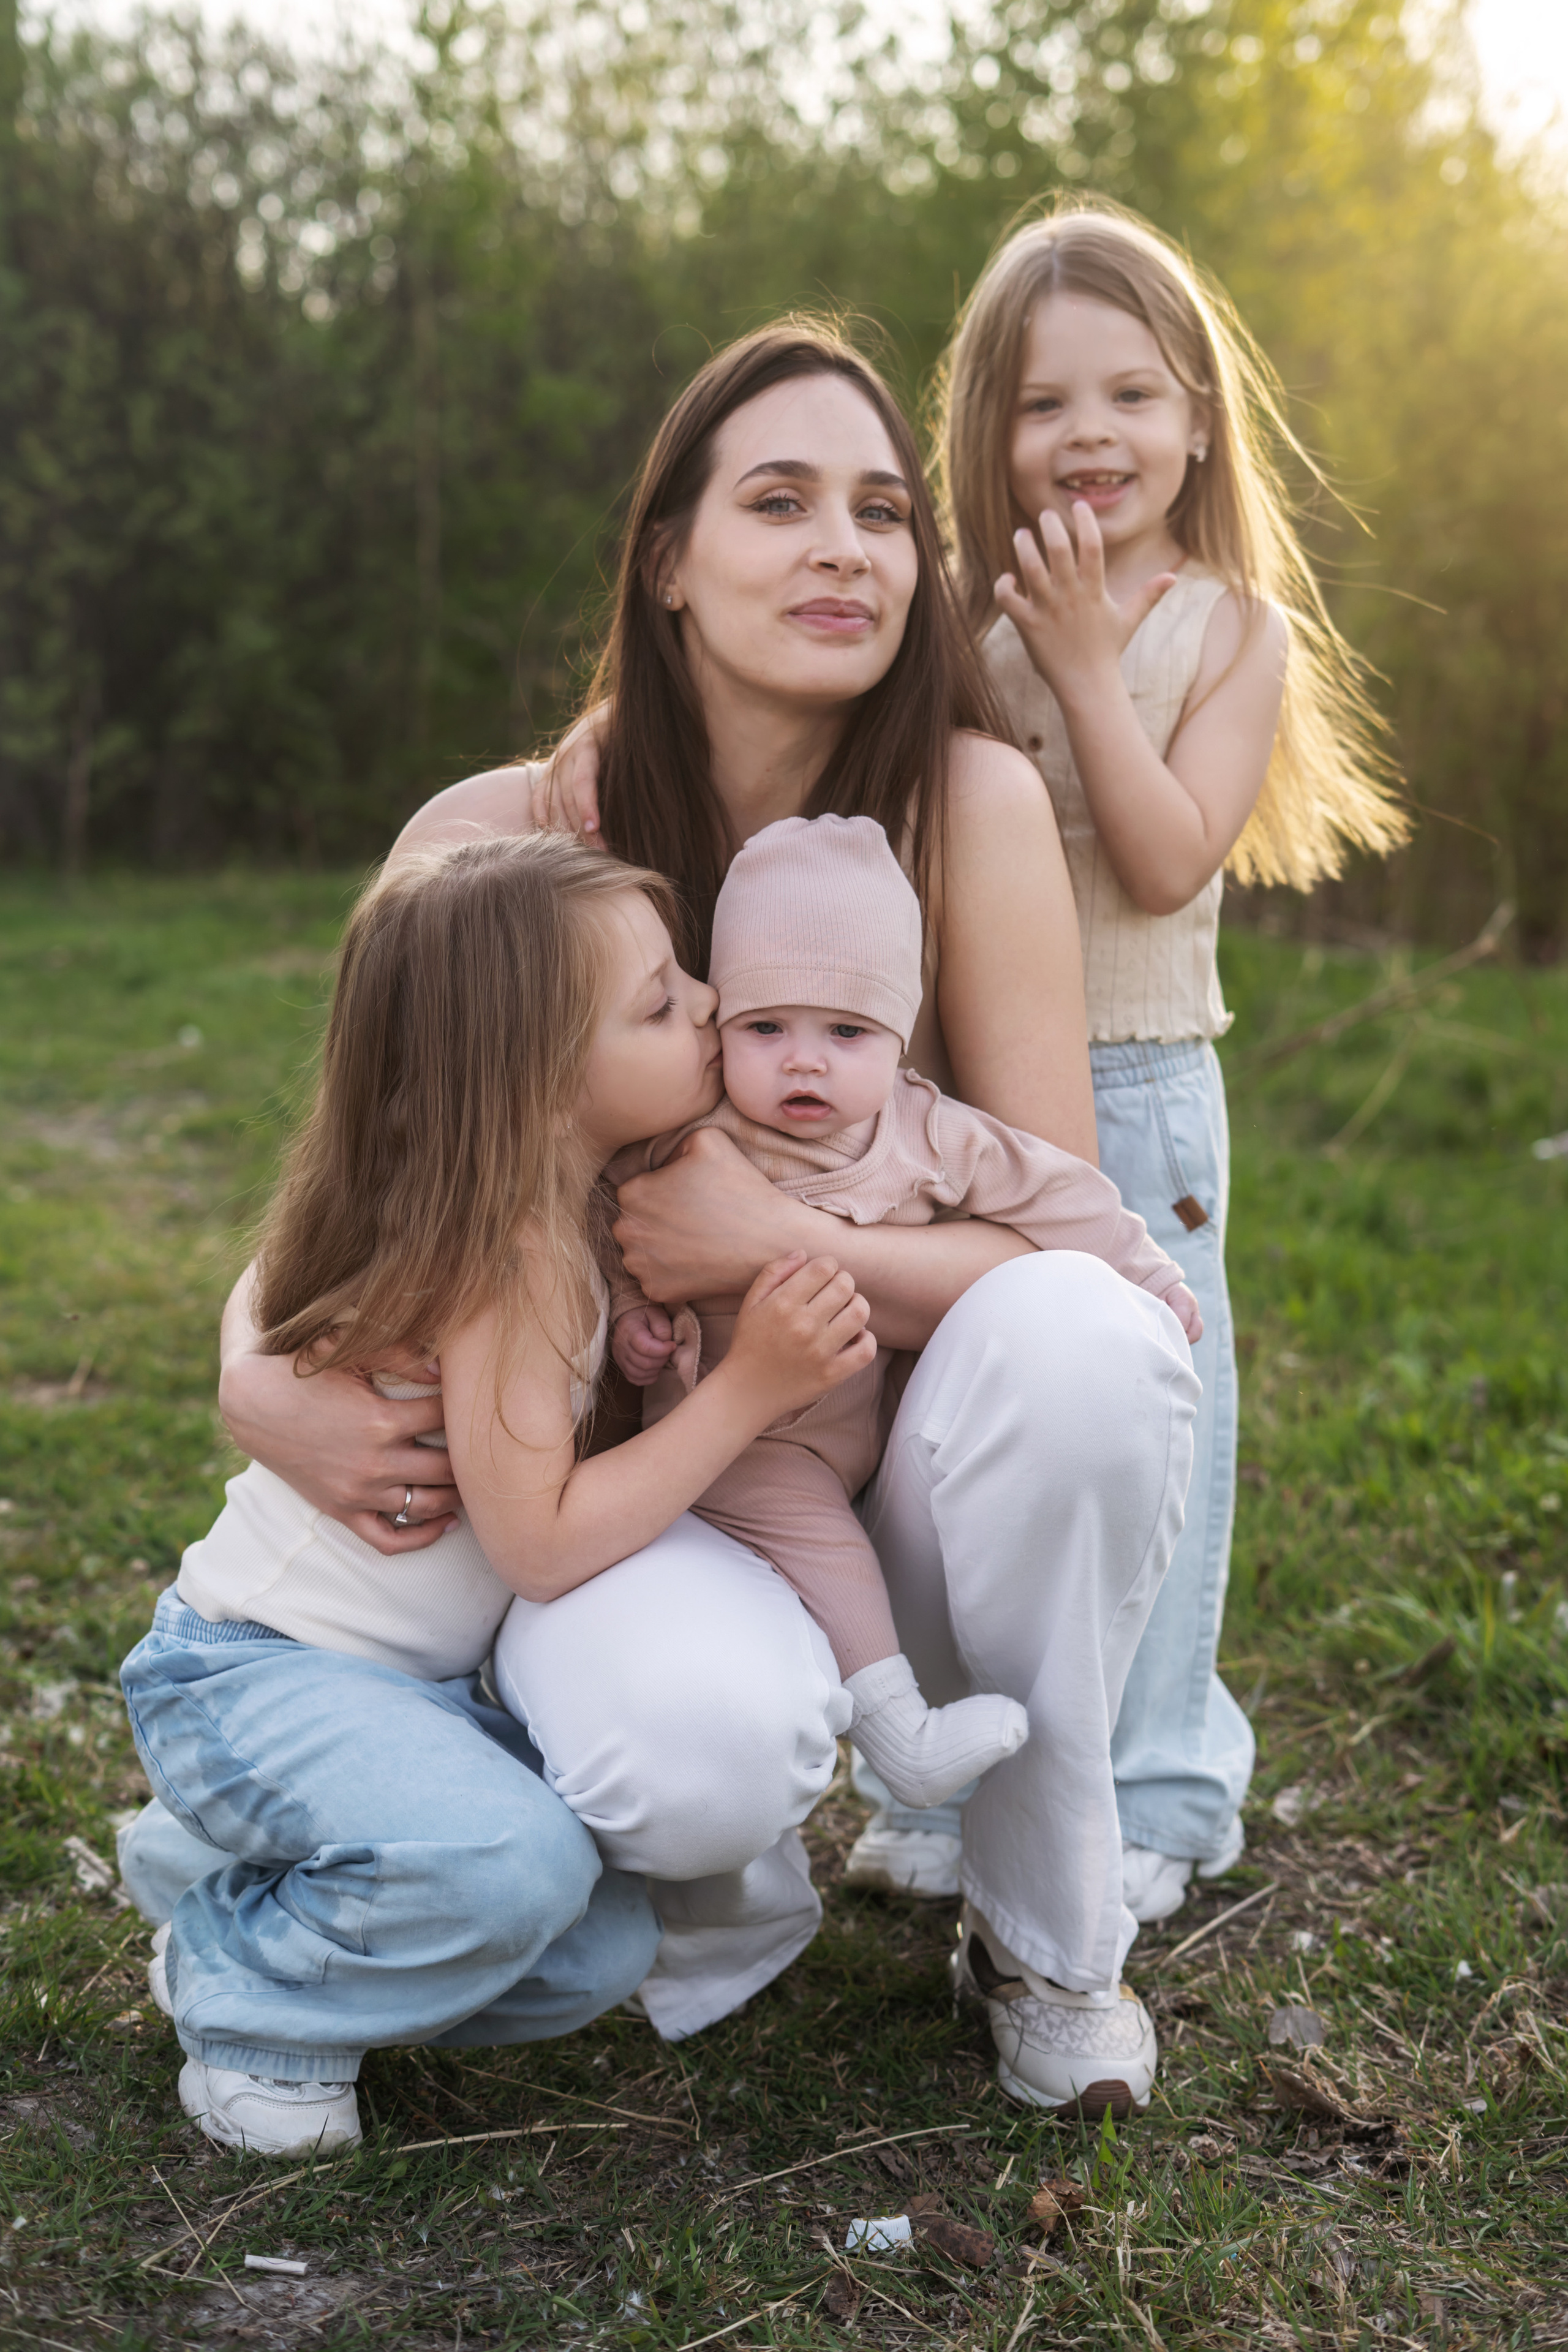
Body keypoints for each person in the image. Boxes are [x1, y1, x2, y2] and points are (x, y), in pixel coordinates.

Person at [179, 320, 1200, 2119]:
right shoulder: (495, 842)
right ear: (667, 560)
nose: (846, 548)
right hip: (616, 1493)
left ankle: (1050, 1940)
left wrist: (765, 1256)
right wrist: (247, 1377)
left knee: (1093, 1351)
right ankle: (550, 1859)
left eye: (884, 511)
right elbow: (347, 1193)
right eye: (782, 501)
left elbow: (1057, 1235)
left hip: (891, 1457)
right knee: (691, 1753)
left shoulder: (968, 802)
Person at [118, 831, 876, 2157]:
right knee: (511, 1872)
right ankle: (240, 1994)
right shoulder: (503, 1252)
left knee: (598, 1946)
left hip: (406, 1698)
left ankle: (245, 1893)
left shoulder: (555, 1200)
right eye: (658, 1003)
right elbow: (539, 1546)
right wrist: (744, 1391)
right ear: (533, 1084)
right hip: (258, 1677)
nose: (704, 1004)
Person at [933, 200, 1408, 1920]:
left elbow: (1161, 858)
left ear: (1199, 418)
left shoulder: (1227, 631)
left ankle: (1158, 1785)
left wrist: (1080, 666)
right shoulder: (965, 617)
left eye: (1132, 395)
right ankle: (963, 1778)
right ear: (989, 430)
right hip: (973, 1089)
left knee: (1159, 1449)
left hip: (1137, 1088)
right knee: (967, 1424)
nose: (1091, 437)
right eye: (1047, 403)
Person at [606, 809, 1202, 1814]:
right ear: (721, 1031)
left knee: (881, 1540)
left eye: (846, 1033)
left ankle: (906, 1739)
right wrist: (634, 1321)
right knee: (784, 1586)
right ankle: (897, 1735)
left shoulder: (927, 1131)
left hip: (852, 1444)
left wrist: (1145, 1274)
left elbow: (1062, 1195)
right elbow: (617, 1227)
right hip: (726, 1440)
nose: (805, 1062)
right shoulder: (690, 1132)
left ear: (899, 1032)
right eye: (767, 1028)